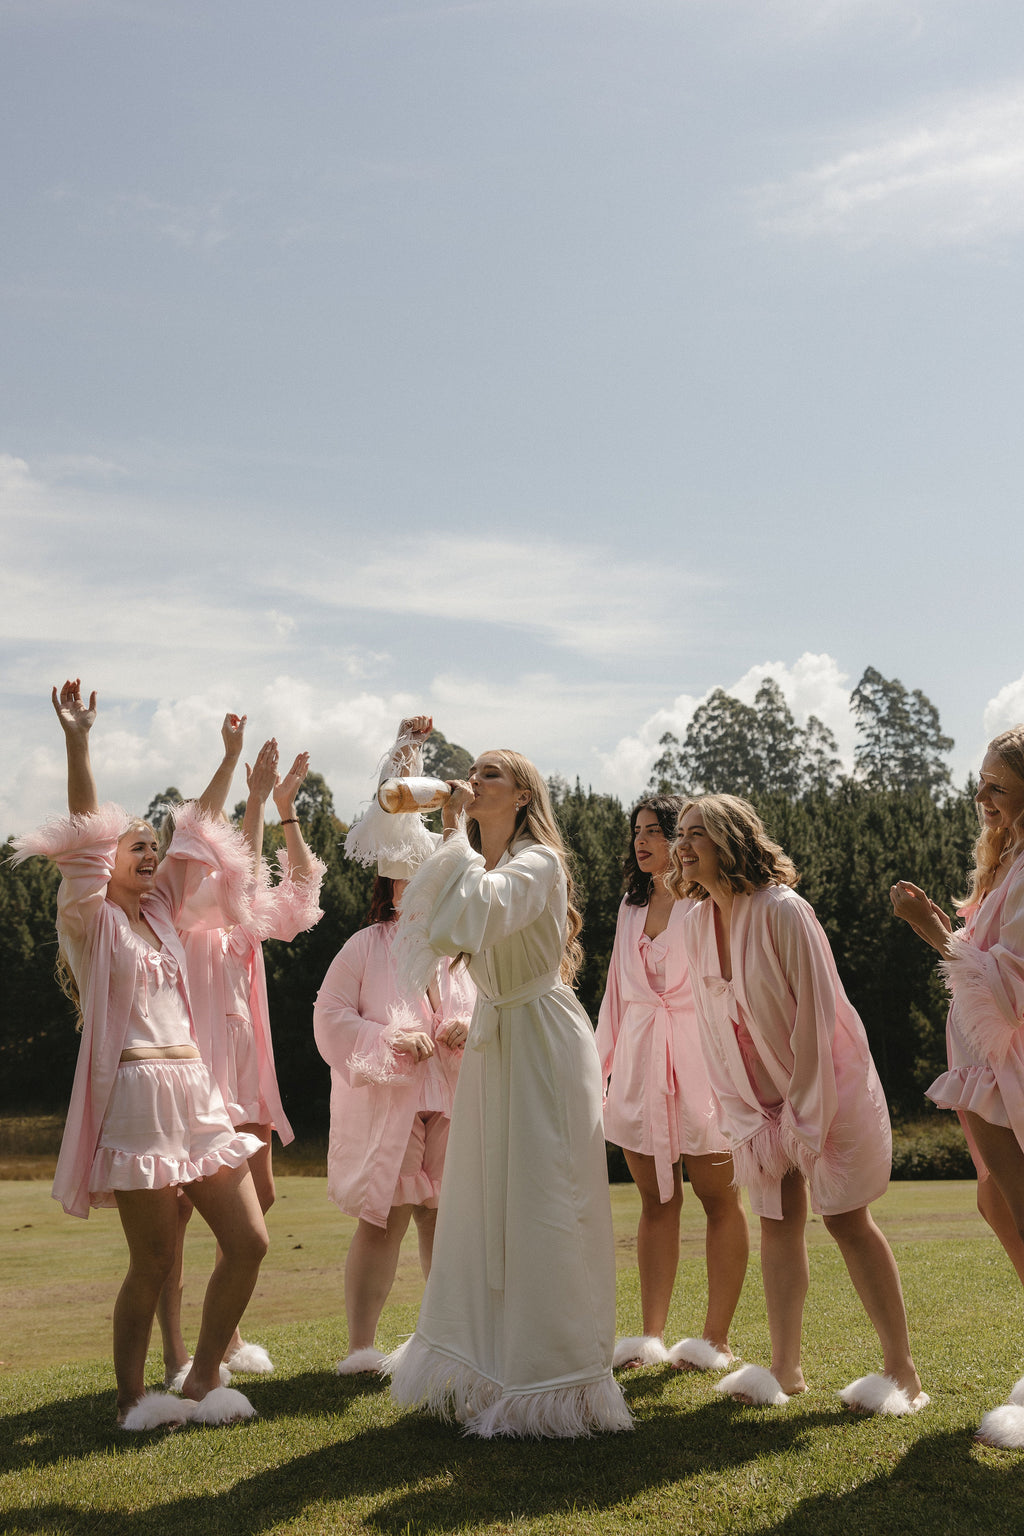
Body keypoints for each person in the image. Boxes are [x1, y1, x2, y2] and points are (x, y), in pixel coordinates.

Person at [13, 682, 269, 1429]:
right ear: (108, 860)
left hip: (196, 1090)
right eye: (137, 845)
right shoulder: (89, 920)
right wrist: (78, 741)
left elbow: (202, 833)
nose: (152, 851)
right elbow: (89, 834)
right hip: (136, 1096)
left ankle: (201, 1380)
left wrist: (227, 761)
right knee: (154, 1262)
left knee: (249, 1241)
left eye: (154, 843)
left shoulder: (165, 915)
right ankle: (133, 1401)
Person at [384, 748, 632, 1437]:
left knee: (545, 1199)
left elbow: (480, 913)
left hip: (543, 1041)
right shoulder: (481, 863)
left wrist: (456, 830)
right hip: (498, 1033)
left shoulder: (538, 863)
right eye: (474, 773)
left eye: (492, 773)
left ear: (522, 796)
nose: (475, 780)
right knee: (485, 1199)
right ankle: (486, 1364)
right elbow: (440, 922)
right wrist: (450, 828)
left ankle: (557, 1380)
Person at [669, 794, 926, 1415]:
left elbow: (818, 1015)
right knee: (777, 1222)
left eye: (695, 833)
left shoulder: (785, 911)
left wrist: (804, 1116)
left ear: (730, 840)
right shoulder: (693, 923)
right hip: (755, 1104)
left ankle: (903, 1372)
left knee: (845, 1220)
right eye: (679, 833)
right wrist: (750, 1117)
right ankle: (785, 1369)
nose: (681, 845)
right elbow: (710, 1028)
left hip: (824, 1088)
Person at [157, 720, 326, 1385]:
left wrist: (284, 810)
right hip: (197, 1074)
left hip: (249, 1074)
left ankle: (219, 1339)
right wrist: (252, 801)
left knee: (261, 1198)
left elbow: (304, 900)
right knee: (168, 1222)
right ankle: (179, 1357)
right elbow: (237, 886)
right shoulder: (184, 912)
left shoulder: (242, 915)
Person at [314, 716, 475, 1374]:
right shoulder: (364, 948)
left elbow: (491, 1008)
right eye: (408, 883)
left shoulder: (459, 953)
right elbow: (329, 1016)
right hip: (395, 1100)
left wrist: (468, 1029)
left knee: (444, 1217)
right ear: (390, 887)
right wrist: (388, 1038)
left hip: (453, 1097)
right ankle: (360, 1346)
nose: (418, 895)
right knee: (385, 1219)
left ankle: (445, 1339)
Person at [891, 726, 1024, 1445]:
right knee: (991, 1197)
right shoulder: (1004, 868)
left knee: (1017, 1204)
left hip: (1008, 1070)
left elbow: (1007, 989)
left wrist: (931, 931)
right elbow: (983, 960)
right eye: (980, 783)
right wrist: (942, 930)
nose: (981, 797)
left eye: (996, 785)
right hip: (990, 1070)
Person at [596, 796, 749, 1371]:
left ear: (684, 840)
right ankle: (650, 1336)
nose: (643, 841)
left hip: (703, 1062)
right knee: (656, 1199)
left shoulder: (710, 902)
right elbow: (614, 996)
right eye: (637, 832)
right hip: (639, 1065)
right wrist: (598, 1072)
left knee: (718, 1198)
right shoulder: (630, 908)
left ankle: (716, 1339)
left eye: (656, 831)